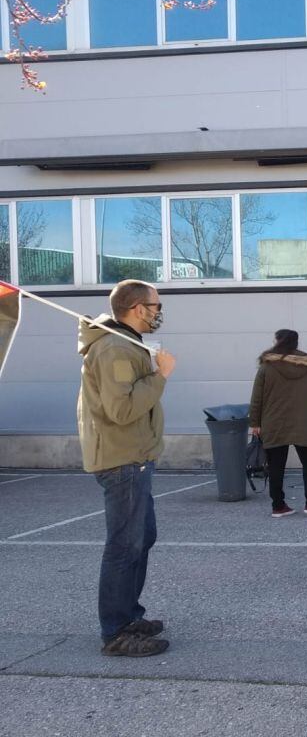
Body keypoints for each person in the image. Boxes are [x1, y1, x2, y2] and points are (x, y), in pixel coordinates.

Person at [78, 279, 176, 657]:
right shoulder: (116, 349)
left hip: (135, 456)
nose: (158, 312)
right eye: (155, 305)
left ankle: (128, 615)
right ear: (137, 308)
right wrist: (160, 375)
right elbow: (122, 410)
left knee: (141, 538)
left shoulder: (126, 344)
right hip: (123, 460)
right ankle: (116, 631)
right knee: (124, 545)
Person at [249, 329, 307, 519]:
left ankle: (278, 506)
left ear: (278, 341)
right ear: (296, 343)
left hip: (274, 421)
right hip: (304, 422)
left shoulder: (267, 366)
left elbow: (257, 398)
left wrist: (255, 423)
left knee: (276, 465)